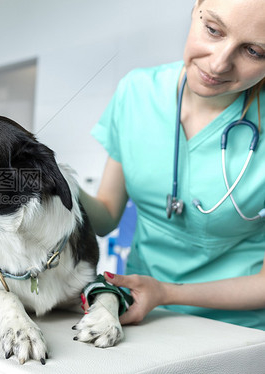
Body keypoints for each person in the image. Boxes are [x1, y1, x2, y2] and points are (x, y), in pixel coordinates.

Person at [80, 0, 265, 330]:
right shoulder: (136, 92)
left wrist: (165, 292)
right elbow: (106, 215)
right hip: (140, 317)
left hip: (238, 332)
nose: (219, 63)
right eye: (213, 30)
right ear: (197, 7)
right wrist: (51, 178)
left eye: (254, 51)